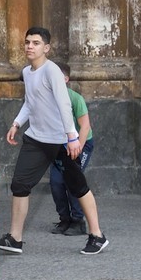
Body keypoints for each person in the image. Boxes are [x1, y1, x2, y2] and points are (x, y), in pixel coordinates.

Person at [0, 27, 109, 256]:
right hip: (36, 139)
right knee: (19, 185)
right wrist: (16, 124)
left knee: (77, 186)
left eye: (36, 43)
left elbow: (64, 104)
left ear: (46, 48)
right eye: (27, 42)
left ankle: (97, 235)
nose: (30, 46)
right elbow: (30, 102)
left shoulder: (52, 71)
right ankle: (15, 238)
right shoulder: (28, 72)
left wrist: (72, 137)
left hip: (61, 141)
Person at [47, 63, 93, 236]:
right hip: (60, 145)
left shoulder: (75, 98)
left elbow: (85, 126)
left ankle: (78, 220)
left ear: (65, 79)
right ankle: (64, 219)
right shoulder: (49, 99)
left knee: (72, 180)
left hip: (81, 143)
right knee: (56, 182)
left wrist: (78, 148)